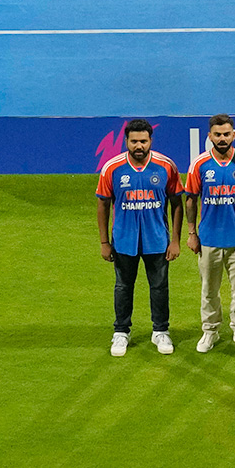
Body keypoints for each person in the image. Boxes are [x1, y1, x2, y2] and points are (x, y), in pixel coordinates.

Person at [96, 119, 183, 357]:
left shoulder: (166, 166)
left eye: (143, 141)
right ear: (126, 141)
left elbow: (177, 203)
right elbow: (102, 204)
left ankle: (161, 331)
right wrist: (104, 242)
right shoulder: (112, 168)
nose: (138, 145)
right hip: (124, 240)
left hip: (157, 240)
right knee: (123, 287)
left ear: (150, 141)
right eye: (134, 141)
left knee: (159, 288)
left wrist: (175, 240)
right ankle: (121, 332)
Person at [184, 114, 235, 355]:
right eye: (217, 134)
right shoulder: (199, 164)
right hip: (208, 239)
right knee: (209, 289)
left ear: (233, 135)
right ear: (209, 136)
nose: (222, 138)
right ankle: (210, 330)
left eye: (226, 134)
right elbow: (190, 199)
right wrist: (192, 233)